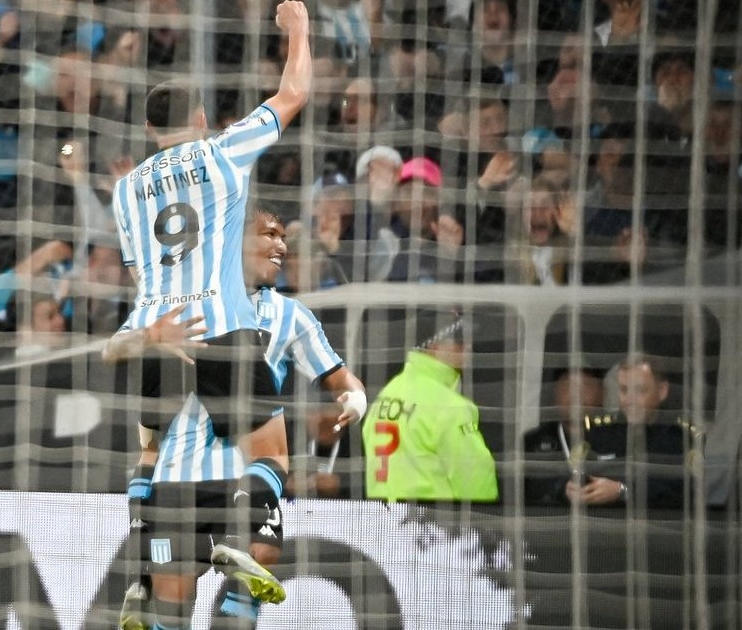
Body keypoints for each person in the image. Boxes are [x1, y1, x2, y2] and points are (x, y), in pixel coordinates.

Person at [105, 209, 367, 630]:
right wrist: (151, 337)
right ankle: (144, 578)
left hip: (246, 477)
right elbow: (113, 349)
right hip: (181, 477)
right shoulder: (175, 304)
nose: (282, 246)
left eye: (284, 237)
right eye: (269, 235)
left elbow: (339, 377)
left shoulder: (290, 314)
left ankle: (147, 574)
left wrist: (355, 399)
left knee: (256, 565)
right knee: (171, 615)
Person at [362, 313, 498, 502]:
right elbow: (477, 479)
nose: (468, 346)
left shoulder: (386, 395)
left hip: (383, 523)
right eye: (459, 340)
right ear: (434, 347)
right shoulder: (450, 407)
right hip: (432, 526)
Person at [565, 354, 695, 509]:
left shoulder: (681, 438)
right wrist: (569, 489)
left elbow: (680, 493)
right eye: (624, 390)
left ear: (662, 391)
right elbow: (570, 473)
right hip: (603, 526)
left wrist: (623, 491)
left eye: (639, 390)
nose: (629, 400)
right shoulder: (599, 432)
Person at [523, 364, 608, 506]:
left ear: (602, 394)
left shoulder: (618, 439)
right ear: (555, 393)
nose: (576, 395)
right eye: (568, 386)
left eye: (585, 386)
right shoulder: (531, 442)